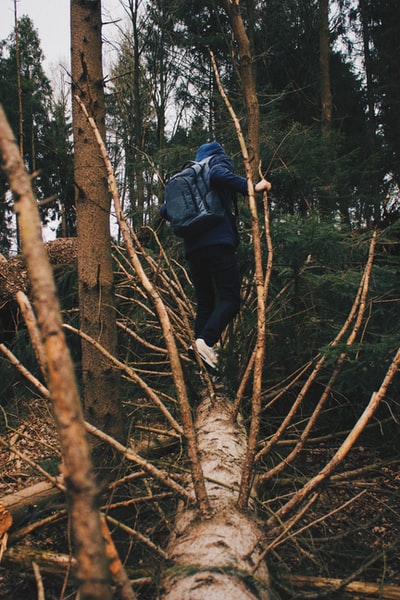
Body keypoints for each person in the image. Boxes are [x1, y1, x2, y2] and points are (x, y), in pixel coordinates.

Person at [183, 141, 272, 370]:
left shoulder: (188, 174)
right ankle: (206, 342)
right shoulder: (215, 163)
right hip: (217, 242)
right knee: (231, 299)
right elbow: (219, 175)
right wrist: (252, 186)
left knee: (205, 303)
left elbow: (166, 210)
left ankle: (199, 352)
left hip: (193, 248)